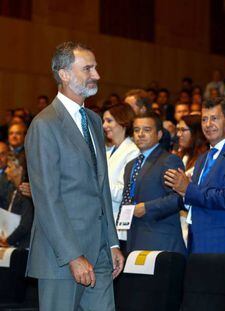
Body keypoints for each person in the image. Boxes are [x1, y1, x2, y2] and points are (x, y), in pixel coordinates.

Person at [25, 41, 124, 310]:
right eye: (88, 68)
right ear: (64, 74)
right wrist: (72, 256)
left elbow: (100, 188)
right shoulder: (44, 125)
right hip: (63, 258)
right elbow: (47, 199)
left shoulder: (93, 120)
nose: (97, 75)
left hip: (101, 252)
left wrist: (112, 242)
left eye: (96, 68)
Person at [164, 97, 225, 254]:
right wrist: (183, 191)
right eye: (204, 119)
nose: (208, 124)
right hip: (197, 242)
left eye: (214, 118)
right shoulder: (202, 159)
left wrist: (188, 188)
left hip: (223, 245)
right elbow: (196, 198)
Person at [122, 112, 186, 254]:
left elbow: (178, 198)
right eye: (137, 130)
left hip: (161, 242)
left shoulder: (169, 160)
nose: (140, 134)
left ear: (159, 134)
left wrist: (147, 208)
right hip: (134, 240)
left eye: (147, 130)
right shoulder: (130, 165)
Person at [102, 103, 139, 245]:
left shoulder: (133, 151)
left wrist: (97, 181)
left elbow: (124, 193)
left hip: (119, 226)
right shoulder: (107, 151)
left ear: (123, 122)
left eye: (109, 121)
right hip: (103, 224)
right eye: (104, 121)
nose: (104, 125)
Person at [0, 153, 33, 248]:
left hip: (23, 248)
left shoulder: (26, 192)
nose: (6, 171)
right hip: (14, 244)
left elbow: (25, 224)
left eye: (9, 167)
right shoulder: (13, 191)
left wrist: (8, 240)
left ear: (20, 169)